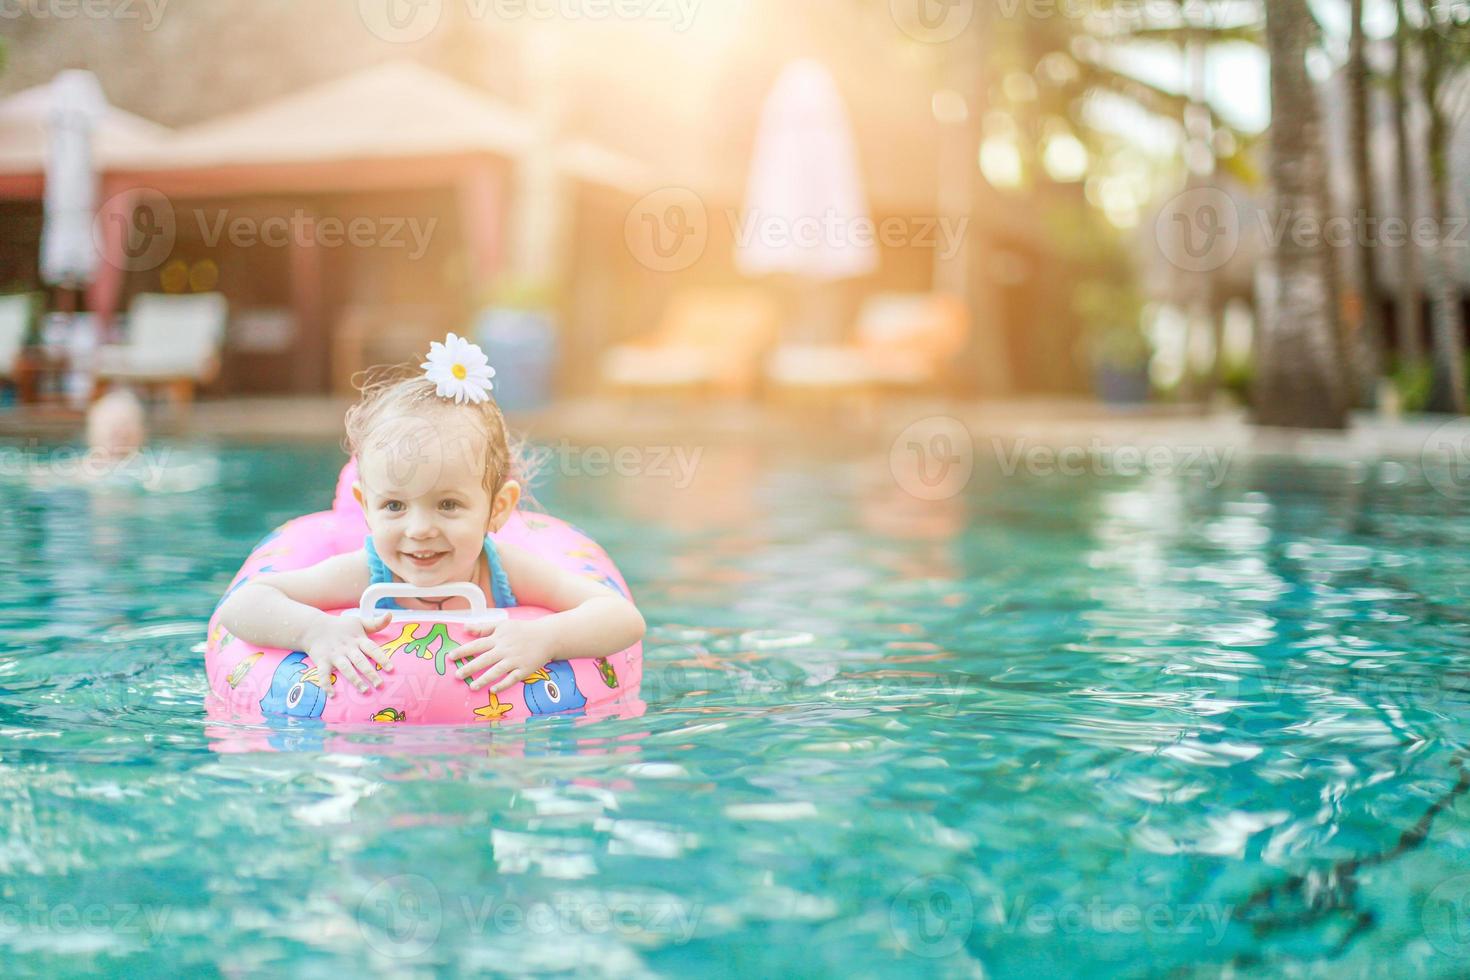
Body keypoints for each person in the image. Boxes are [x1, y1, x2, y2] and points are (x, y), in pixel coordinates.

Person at [217, 333, 645, 697]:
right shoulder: (366, 573)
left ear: (497, 509)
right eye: (394, 506)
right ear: (366, 507)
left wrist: (546, 638)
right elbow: (243, 606)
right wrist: (313, 631)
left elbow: (622, 618)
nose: (420, 530)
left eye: (448, 505)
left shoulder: (502, 571)